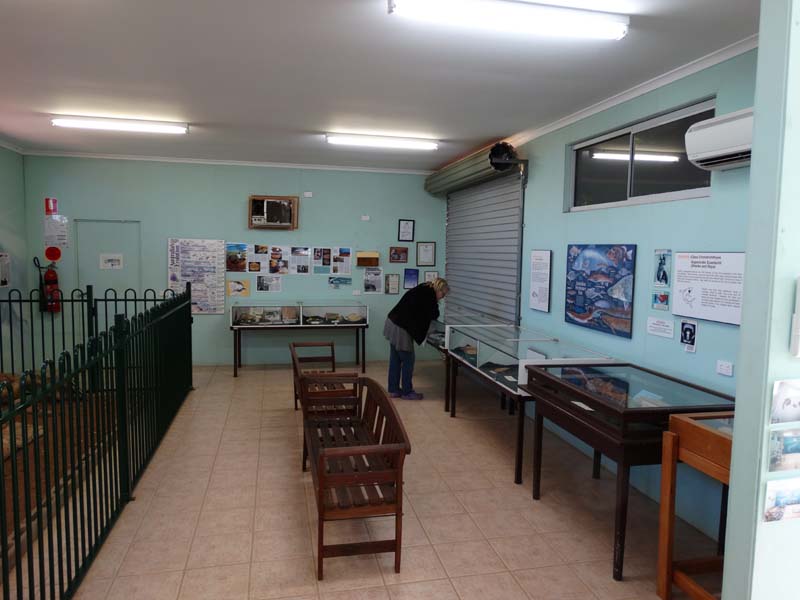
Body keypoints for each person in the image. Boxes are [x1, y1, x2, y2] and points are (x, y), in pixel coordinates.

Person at [383, 278, 449, 399]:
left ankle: (393, 389)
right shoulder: (429, 295)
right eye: (443, 294)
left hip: (392, 322)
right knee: (408, 360)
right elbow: (434, 314)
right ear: (439, 289)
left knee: (395, 359)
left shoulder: (423, 288)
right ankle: (407, 392)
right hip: (401, 327)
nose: (442, 298)